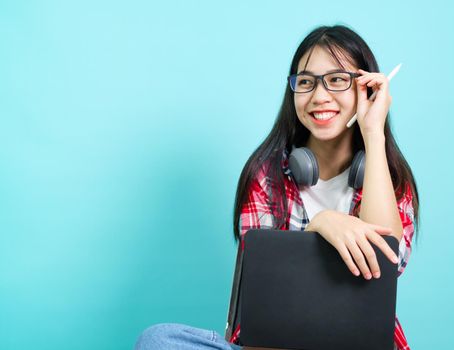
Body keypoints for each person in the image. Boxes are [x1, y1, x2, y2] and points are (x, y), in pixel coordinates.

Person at [135, 24, 419, 350]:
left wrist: (374, 133)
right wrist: (321, 225)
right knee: (158, 340)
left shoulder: (390, 178)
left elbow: (387, 265)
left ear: (365, 88)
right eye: (307, 82)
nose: (319, 96)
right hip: (274, 347)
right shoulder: (265, 177)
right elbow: (262, 307)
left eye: (338, 80)